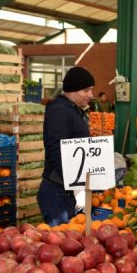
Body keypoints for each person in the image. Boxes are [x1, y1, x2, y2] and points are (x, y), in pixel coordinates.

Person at [38, 66, 94, 226]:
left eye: (91, 90)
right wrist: (76, 185)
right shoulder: (59, 111)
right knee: (64, 239)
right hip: (57, 191)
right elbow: (56, 151)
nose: (90, 94)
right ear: (72, 90)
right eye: (86, 90)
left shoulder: (72, 109)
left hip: (67, 189)